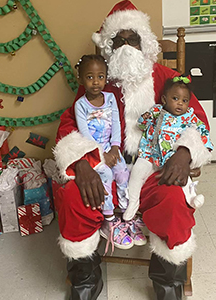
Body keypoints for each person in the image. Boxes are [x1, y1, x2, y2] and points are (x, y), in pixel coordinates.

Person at [53, 1, 212, 299]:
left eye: (133, 39)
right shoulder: (97, 82)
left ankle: (168, 285)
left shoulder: (166, 78)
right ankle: (85, 281)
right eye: (118, 40)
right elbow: (69, 123)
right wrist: (83, 163)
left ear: (145, 42)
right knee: (74, 195)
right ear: (108, 46)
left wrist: (184, 153)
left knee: (174, 201)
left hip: (155, 166)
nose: (126, 46)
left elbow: (198, 122)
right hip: (106, 169)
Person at [74, 54, 145, 250]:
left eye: (100, 77)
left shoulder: (111, 98)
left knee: (123, 172)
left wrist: (115, 147)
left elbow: (116, 124)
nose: (96, 82)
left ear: (106, 78)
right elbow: (85, 133)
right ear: (80, 79)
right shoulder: (80, 105)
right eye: (89, 77)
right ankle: (109, 219)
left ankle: (126, 213)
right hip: (94, 151)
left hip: (111, 147)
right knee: (104, 173)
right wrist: (100, 154)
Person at [123, 76, 213, 221]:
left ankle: (192, 199)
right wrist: (144, 118)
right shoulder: (156, 111)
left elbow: (202, 131)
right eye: (175, 98)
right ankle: (133, 203)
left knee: (181, 178)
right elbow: (141, 125)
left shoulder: (189, 116)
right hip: (150, 155)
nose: (180, 104)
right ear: (164, 99)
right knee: (136, 174)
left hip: (171, 158)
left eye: (184, 101)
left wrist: (198, 150)